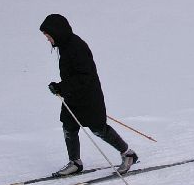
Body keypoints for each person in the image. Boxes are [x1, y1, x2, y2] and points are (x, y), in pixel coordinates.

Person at [38, 13, 137, 176]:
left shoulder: (76, 47)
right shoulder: (64, 46)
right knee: (69, 126)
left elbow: (84, 76)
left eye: (48, 36)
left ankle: (128, 154)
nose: (47, 39)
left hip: (89, 96)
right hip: (73, 96)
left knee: (99, 128)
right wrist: (61, 87)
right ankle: (75, 162)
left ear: (57, 32)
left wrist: (61, 87)